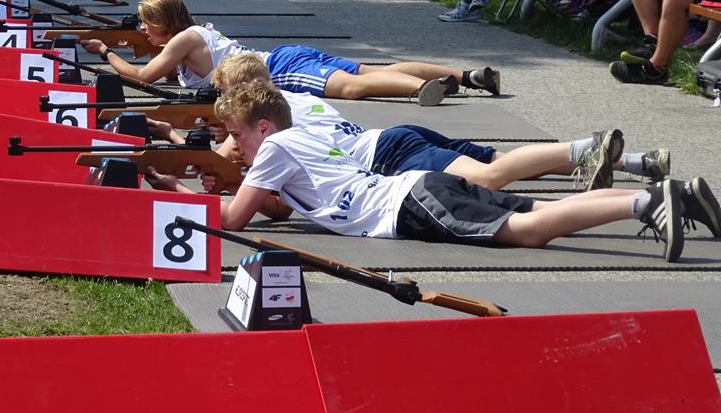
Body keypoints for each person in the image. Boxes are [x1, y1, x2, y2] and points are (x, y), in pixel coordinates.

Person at [146, 81, 721, 264]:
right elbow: (282, 206)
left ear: (262, 127)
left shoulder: (272, 150)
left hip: (407, 203)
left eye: (237, 135)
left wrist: (177, 192)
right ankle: (661, 195)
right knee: (540, 212)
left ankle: (649, 203)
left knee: (529, 231)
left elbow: (235, 221)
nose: (234, 147)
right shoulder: (295, 141)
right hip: (416, 188)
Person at [196, 53, 670, 193]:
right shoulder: (295, 99)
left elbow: (226, 160)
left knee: (490, 177)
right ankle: (635, 161)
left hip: (389, 156)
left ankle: (585, 147)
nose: (226, 107)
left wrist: (189, 145)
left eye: (229, 98)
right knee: (505, 160)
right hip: (394, 139)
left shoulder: (270, 123)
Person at [78, 0, 501, 105]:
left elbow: (146, 77)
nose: (144, 31)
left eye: (148, 25)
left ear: (166, 24)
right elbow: (171, 71)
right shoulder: (193, 35)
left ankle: (420, 89)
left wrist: (106, 53)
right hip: (283, 58)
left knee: (352, 88)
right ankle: (468, 76)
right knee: (371, 70)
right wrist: (143, 46)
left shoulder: (184, 39)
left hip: (279, 71)